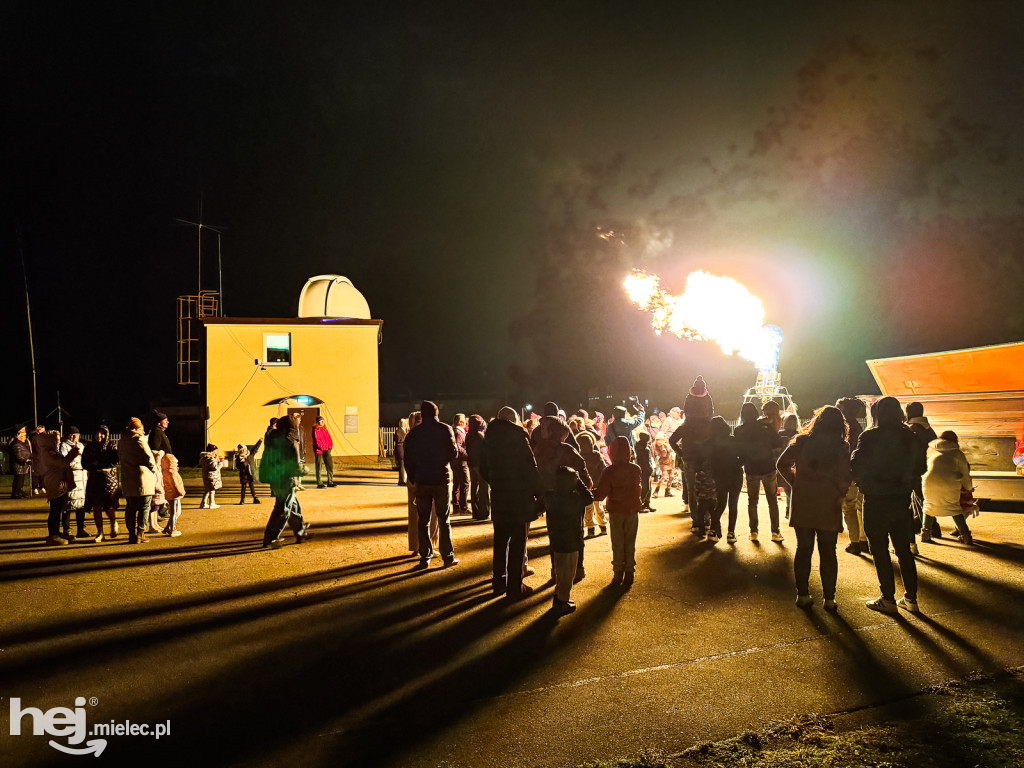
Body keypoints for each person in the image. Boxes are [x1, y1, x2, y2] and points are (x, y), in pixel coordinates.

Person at [852, 396, 927, 615]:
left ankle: (888, 598)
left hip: (875, 500)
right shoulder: (910, 437)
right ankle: (911, 599)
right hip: (901, 499)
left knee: (880, 550)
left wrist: (863, 482)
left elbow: (856, 465)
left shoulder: (869, 436)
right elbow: (921, 467)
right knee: (904, 551)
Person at [777, 406, 853, 611]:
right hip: (829, 501)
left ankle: (802, 594)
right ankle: (829, 599)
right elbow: (846, 474)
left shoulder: (801, 441)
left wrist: (795, 483)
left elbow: (781, 463)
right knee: (828, 551)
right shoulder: (841, 445)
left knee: (804, 549)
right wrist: (841, 491)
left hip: (804, 499)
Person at [482, 407, 544, 599]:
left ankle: (499, 582)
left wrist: (496, 482)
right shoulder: (519, 436)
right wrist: (538, 492)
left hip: (499, 494)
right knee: (517, 543)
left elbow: (483, 467)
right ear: (514, 420)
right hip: (518, 495)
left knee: (500, 541)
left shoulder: (490, 438)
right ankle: (515, 587)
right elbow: (529, 466)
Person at [403, 400, 459, 568]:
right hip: (441, 478)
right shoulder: (445, 429)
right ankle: (447, 556)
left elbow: (408, 459)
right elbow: (453, 453)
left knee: (423, 520)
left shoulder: (414, 434)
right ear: (436, 413)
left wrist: (413, 476)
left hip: (422, 479)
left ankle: (425, 556)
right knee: (444, 519)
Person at [594, 436, 643, 587]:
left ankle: (618, 573)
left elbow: (601, 493)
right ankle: (629, 572)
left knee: (618, 542)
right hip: (632, 509)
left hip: (616, 510)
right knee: (630, 541)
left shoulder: (609, 471)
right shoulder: (635, 469)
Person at [544, 466, 593, 615]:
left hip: (556, 541)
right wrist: (579, 482)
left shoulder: (550, 496)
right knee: (568, 575)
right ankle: (562, 602)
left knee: (560, 572)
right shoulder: (575, 498)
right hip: (571, 541)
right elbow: (589, 497)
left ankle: (559, 597)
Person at [734, 402, 783, 542]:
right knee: (772, 500)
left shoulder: (739, 430)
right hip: (768, 467)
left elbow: (737, 450)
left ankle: (753, 531)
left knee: (752, 501)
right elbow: (777, 443)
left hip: (751, 469)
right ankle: (775, 532)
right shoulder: (765, 427)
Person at [260, 418, 311, 548]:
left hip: (275, 478)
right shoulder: (290, 442)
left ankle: (301, 532)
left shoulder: (271, 438)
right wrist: (305, 470)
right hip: (286, 479)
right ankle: (270, 539)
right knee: (283, 509)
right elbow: (296, 466)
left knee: (292, 507)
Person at [921, 431, 975, 545]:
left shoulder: (931, 449)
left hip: (928, 482)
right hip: (950, 482)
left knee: (929, 506)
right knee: (954, 507)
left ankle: (925, 534)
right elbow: (965, 474)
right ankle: (965, 536)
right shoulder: (957, 453)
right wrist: (968, 488)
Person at [118, 417, 157, 545]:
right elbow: (149, 457)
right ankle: (140, 533)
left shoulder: (122, 442)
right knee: (145, 506)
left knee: (130, 508)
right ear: (137, 428)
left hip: (128, 478)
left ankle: (131, 535)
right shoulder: (139, 440)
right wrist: (154, 470)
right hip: (142, 477)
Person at [836, 397, 868, 554]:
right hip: (860, 472)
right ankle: (863, 540)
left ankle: (855, 542)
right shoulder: (859, 428)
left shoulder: (843, 428)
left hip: (847, 473)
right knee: (859, 506)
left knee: (849, 508)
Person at [906, 401, 940, 543]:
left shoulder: (912, 428)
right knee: (922, 497)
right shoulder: (928, 429)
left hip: (916, 469)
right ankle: (924, 525)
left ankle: (932, 528)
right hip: (928, 467)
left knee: (921, 498)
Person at [35, 431, 77, 545]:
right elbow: (61, 462)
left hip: (58, 481)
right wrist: (72, 455)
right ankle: (53, 535)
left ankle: (57, 532)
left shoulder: (51, 450)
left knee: (58, 509)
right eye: (56, 439)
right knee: (55, 509)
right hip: (55, 482)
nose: (58, 441)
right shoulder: (48, 451)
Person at [708, 416, 743, 543]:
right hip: (735, 474)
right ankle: (731, 533)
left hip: (720, 475)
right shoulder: (733, 440)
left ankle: (712, 530)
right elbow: (743, 455)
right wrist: (739, 464)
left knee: (721, 504)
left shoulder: (711, 443)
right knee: (733, 504)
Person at [82, 425, 120, 542]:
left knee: (109, 507)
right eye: (97, 433)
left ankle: (113, 522)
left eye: (102, 433)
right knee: (96, 507)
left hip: (108, 480)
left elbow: (115, 461)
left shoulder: (111, 446)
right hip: (95, 479)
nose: (99, 436)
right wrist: (94, 465)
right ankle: (100, 532)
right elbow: (85, 463)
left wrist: (103, 465)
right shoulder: (89, 447)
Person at [577, 431, 608, 537]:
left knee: (591, 508)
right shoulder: (594, 455)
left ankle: (593, 527)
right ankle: (600, 526)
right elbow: (603, 469)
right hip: (593, 485)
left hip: (589, 486)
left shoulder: (580, 456)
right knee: (595, 507)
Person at [59, 427, 89, 540]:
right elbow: (64, 461)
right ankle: (67, 529)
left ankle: (81, 528)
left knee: (81, 505)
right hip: (72, 476)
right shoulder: (64, 446)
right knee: (68, 505)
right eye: (73, 435)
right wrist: (75, 456)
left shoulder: (81, 445)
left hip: (82, 477)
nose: (75, 437)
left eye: (77, 435)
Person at [466, 414, 490, 521]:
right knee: (484, 489)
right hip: (481, 464)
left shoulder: (468, 435)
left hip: (472, 464)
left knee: (474, 488)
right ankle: (483, 512)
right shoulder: (480, 436)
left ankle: (475, 512)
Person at [777, 413, 799, 519]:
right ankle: (789, 511)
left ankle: (789, 511)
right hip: (792, 465)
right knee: (790, 491)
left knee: (789, 490)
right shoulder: (798, 434)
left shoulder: (780, 434)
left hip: (784, 465)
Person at [161, 453, 186, 536]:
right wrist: (181, 492)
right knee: (175, 512)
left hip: (169, 494)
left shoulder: (165, 471)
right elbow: (175, 484)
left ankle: (167, 528)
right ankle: (173, 529)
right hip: (174, 495)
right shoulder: (172, 473)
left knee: (174, 512)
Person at [450, 413, 471, 514]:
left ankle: (456, 506)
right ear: (460, 422)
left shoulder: (455, 431)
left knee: (457, 484)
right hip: (461, 462)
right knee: (464, 483)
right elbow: (458, 447)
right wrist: (467, 454)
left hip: (456, 462)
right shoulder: (458, 432)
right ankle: (463, 506)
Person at [8, 426, 33, 499]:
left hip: (23, 465)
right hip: (18, 465)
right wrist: (25, 460)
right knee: (18, 480)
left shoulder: (24, 442)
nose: (25, 436)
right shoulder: (16, 443)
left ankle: (19, 491)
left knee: (21, 480)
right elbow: (18, 455)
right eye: (23, 434)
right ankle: (15, 493)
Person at [312, 416, 335, 488]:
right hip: (319, 451)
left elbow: (329, 439)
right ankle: (319, 483)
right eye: (321, 421)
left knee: (329, 466)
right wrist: (322, 447)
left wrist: (330, 447)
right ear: (318, 422)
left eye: (323, 421)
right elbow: (317, 440)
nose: (322, 422)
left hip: (327, 450)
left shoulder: (325, 430)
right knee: (319, 467)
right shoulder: (316, 430)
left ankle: (330, 481)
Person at [199, 444, 225, 509]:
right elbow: (214, 467)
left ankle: (203, 503)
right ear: (212, 451)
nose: (216, 452)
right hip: (212, 476)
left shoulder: (205, 457)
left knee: (207, 490)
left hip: (206, 475)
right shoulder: (211, 458)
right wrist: (221, 464)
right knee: (212, 490)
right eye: (215, 450)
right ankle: (212, 503)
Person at [636, 431, 655, 513]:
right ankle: (640, 504)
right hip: (645, 470)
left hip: (643, 470)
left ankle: (646, 503)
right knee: (646, 488)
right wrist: (650, 469)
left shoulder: (639, 446)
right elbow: (647, 462)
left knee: (648, 488)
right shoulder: (645, 449)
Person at [652, 434, 675, 498]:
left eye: (660, 439)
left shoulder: (666, 444)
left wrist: (666, 444)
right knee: (664, 477)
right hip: (663, 463)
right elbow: (664, 455)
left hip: (671, 461)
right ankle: (656, 490)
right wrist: (662, 446)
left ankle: (668, 491)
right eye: (657, 440)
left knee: (671, 477)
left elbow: (671, 450)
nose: (659, 441)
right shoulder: (656, 447)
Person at [29, 424, 46, 495]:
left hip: (43, 458)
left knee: (43, 473)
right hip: (35, 458)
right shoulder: (33, 438)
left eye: (40, 429)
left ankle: (42, 487)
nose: (39, 431)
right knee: (35, 474)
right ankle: (35, 487)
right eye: (38, 429)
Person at [395, 417, 408, 486]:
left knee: (402, 466)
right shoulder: (399, 430)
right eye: (405, 423)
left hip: (402, 450)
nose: (406, 425)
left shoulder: (402, 430)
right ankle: (402, 481)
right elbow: (399, 439)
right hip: (400, 450)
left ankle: (402, 480)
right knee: (402, 466)